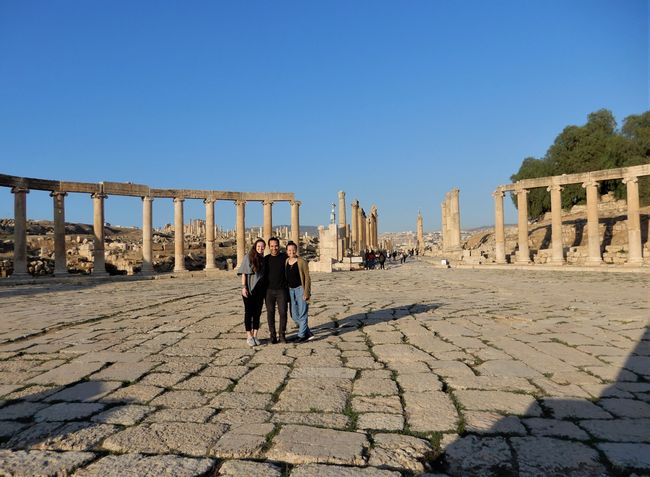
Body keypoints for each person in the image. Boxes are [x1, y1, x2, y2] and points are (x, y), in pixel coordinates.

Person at [237, 238, 266, 347]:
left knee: (257, 313)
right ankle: (249, 335)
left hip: (261, 290)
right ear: (255, 246)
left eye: (262, 247)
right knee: (248, 313)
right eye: (258, 246)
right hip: (249, 289)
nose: (260, 248)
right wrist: (243, 287)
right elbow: (244, 273)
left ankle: (255, 335)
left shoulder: (264, 259)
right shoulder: (249, 257)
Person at [285, 241, 314, 342]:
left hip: (300, 289)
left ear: (296, 250)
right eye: (289, 250)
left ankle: (301, 335)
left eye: (293, 250)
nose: (291, 252)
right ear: (287, 251)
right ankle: (308, 332)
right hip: (291, 290)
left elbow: (307, 277)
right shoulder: (286, 261)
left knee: (302, 313)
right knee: (294, 314)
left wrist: (306, 292)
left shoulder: (302, 261)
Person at [264, 237, 288, 344]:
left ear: (279, 246)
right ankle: (272, 335)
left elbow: (295, 261)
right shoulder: (266, 259)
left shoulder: (284, 257)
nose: (274, 248)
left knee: (283, 313)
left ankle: (282, 335)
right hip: (268, 291)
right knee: (270, 313)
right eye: (272, 246)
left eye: (276, 246)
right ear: (269, 247)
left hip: (281, 290)